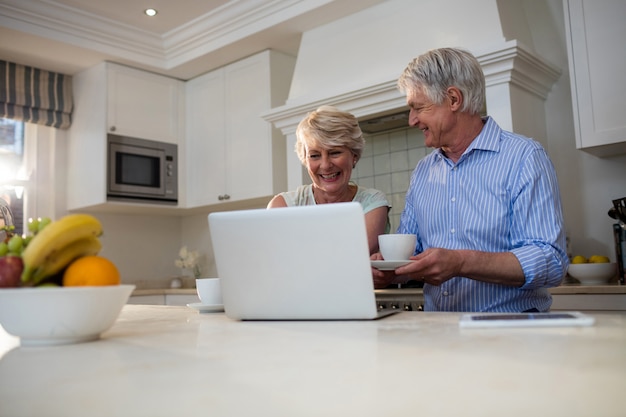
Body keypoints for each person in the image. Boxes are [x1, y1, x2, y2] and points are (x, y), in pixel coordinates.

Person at [372, 47, 569, 312]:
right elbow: (412, 254)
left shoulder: (524, 157)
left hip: (512, 333)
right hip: (438, 333)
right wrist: (391, 268)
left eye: (418, 107)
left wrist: (462, 262)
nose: (412, 120)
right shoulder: (423, 171)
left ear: (454, 99)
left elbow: (551, 261)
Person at [268, 105, 390, 254]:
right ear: (305, 160)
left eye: (335, 152)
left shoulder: (372, 203)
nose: (325, 165)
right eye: (314, 155)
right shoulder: (283, 206)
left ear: (354, 156)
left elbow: (353, 256)